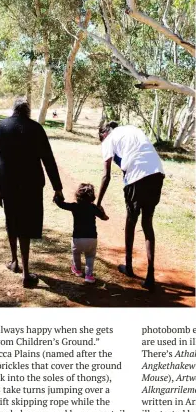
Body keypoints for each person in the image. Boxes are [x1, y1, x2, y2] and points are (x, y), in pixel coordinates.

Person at [0, 98, 64, 287]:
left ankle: (14, 261)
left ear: (13, 110)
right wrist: (57, 187)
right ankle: (26, 273)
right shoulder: (36, 128)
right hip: (31, 184)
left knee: (11, 220)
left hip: (6, 184)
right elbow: (48, 159)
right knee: (26, 224)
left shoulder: (1, 127)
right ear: (28, 111)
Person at [97, 121, 164, 291]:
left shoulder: (108, 139)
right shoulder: (132, 129)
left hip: (136, 177)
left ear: (104, 133)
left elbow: (106, 176)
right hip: (157, 173)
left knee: (131, 221)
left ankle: (128, 266)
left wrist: (97, 204)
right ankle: (150, 275)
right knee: (147, 224)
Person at [54, 183, 108, 283]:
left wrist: (57, 196)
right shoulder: (93, 207)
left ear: (78, 195)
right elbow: (105, 218)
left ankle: (77, 270)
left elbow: (61, 205)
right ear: (92, 197)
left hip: (77, 238)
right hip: (92, 238)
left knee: (76, 253)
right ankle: (89, 276)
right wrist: (102, 211)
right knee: (90, 257)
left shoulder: (75, 206)